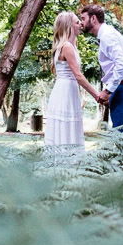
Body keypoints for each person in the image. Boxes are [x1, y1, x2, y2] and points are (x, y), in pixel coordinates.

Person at [43, 11, 100, 150]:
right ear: (68, 26)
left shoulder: (70, 45)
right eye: (76, 22)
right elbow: (78, 75)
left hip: (67, 91)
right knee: (66, 126)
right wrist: (96, 95)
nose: (80, 24)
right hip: (65, 93)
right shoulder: (67, 47)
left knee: (69, 126)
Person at [79, 4, 123, 129]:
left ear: (93, 18)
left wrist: (108, 91)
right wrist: (111, 92)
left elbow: (121, 64)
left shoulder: (107, 36)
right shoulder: (105, 35)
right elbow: (113, 68)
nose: (81, 23)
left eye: (83, 18)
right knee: (120, 135)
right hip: (121, 88)